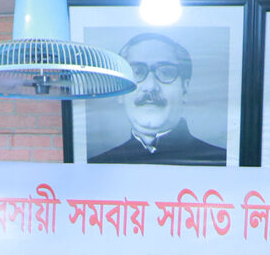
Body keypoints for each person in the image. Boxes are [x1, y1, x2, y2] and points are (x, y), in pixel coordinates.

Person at [89, 33, 225, 166]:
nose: (150, 86)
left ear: (184, 88)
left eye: (165, 73)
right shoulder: (97, 165)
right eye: (137, 72)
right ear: (120, 91)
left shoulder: (219, 161)